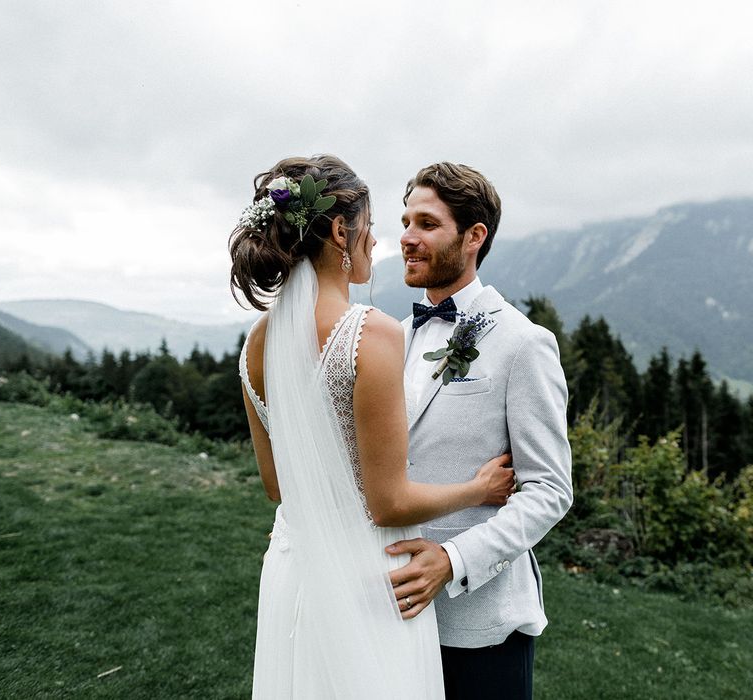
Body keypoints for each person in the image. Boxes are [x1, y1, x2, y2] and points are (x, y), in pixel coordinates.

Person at [229, 155, 515, 699]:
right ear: (341, 231)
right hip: (370, 575)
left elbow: (276, 486)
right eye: (373, 227)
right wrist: (480, 488)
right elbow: (388, 503)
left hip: (294, 572)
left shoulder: (254, 346)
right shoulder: (373, 332)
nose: (378, 243)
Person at [387, 162, 573, 700]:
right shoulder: (393, 338)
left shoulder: (524, 343)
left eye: (426, 223)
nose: (407, 238)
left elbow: (549, 491)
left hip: (481, 623)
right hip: (395, 612)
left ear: (474, 237)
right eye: (405, 222)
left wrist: (452, 561)